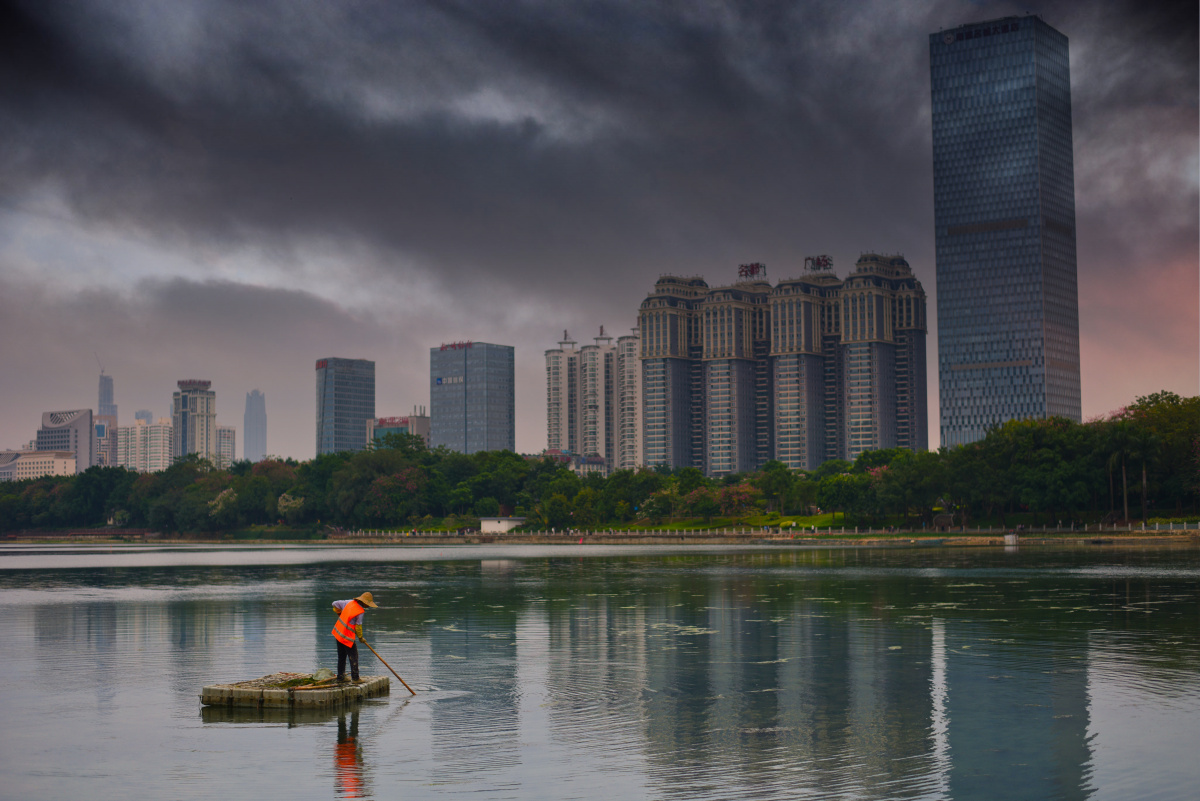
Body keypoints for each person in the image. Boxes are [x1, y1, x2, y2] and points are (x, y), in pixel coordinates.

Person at [332, 592, 378, 683]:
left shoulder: (348, 602)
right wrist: (361, 637)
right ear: (364, 603)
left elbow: (334, 603)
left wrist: (339, 613)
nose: (368, 606)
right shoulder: (360, 611)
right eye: (368, 604)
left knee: (341, 656)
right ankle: (356, 678)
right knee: (354, 656)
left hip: (338, 633)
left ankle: (340, 677)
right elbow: (358, 626)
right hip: (347, 637)